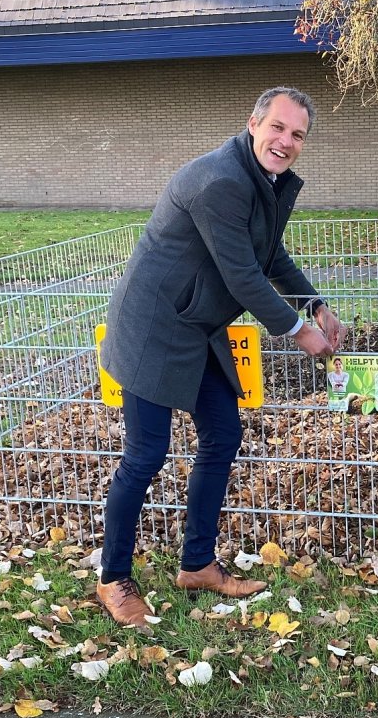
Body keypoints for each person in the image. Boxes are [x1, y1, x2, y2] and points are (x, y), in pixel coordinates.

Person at [98, 87, 347, 627]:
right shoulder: (221, 182)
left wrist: (316, 303)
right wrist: (299, 331)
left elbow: (269, 253)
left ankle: (197, 565)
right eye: (278, 127)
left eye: (297, 135)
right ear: (254, 123)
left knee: (222, 434)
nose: (285, 142)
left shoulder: (264, 181)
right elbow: (243, 277)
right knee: (144, 456)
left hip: (197, 327)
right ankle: (113, 578)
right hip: (151, 328)